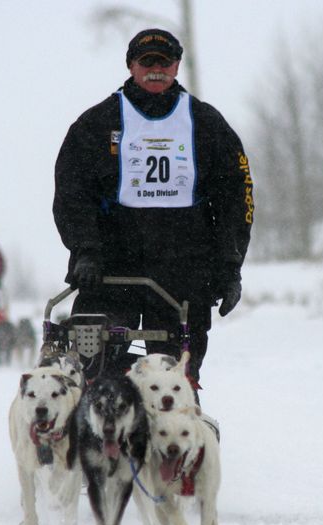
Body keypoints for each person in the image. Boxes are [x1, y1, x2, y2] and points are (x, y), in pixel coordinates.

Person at [53, 28, 254, 383]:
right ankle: (97, 431)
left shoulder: (207, 124)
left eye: (164, 62)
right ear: (131, 65)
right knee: (96, 372)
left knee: (174, 381)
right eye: (147, 62)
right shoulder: (96, 125)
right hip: (110, 268)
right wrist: (85, 249)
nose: (156, 69)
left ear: (177, 66)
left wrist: (229, 264)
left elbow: (236, 198)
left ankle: (175, 433)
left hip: (184, 271)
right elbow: (72, 192)